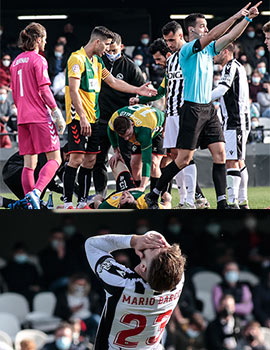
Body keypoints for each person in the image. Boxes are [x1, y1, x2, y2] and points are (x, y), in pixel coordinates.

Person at [145, 3, 261, 209]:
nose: (206, 29)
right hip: (191, 109)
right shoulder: (188, 50)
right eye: (203, 26)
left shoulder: (208, 49)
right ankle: (154, 194)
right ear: (191, 30)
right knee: (183, 159)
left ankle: (222, 202)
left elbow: (230, 37)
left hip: (208, 108)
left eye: (206, 26)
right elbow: (216, 33)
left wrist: (248, 19)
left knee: (220, 154)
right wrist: (235, 15)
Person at [63, 26, 156, 209]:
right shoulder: (77, 58)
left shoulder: (97, 61)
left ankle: (82, 201)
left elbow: (113, 82)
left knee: (90, 161)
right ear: (97, 42)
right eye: (106, 45)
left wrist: (138, 89)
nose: (107, 49)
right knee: (76, 159)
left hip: (94, 119)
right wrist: (81, 116)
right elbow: (73, 90)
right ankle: (67, 202)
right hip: (78, 118)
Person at [131, 30, 209, 209]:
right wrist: (139, 99)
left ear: (167, 53)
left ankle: (192, 197)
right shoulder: (170, 68)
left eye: (158, 59)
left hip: (186, 114)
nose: (157, 64)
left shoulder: (184, 61)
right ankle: (186, 198)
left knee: (185, 156)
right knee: (175, 156)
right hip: (172, 115)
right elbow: (161, 92)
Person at [84, 231, 186, 350]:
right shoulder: (178, 281)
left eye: (153, 248)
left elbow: (92, 244)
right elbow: (172, 259)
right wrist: (152, 247)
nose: (160, 245)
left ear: (143, 267)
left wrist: (134, 241)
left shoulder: (123, 284)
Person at [10, 22, 66, 209]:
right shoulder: (38, 59)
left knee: (29, 164)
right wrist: (56, 112)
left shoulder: (15, 62)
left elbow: (15, 92)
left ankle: (30, 202)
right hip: (39, 117)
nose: (45, 43)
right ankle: (36, 192)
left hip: (22, 118)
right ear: (38, 39)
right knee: (55, 159)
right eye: (44, 39)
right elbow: (44, 89)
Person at [92, 32, 145, 198]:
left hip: (123, 123)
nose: (111, 53)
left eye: (114, 50)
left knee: (125, 158)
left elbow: (141, 93)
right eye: (109, 49)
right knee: (98, 160)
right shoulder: (98, 63)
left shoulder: (131, 67)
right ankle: (100, 194)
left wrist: (136, 100)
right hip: (101, 120)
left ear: (121, 47)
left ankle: (125, 194)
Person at [211, 43, 251, 209]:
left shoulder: (230, 67)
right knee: (239, 161)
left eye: (216, 52)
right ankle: (243, 201)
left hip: (236, 120)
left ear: (225, 51)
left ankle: (233, 202)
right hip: (236, 119)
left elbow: (222, 89)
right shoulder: (236, 66)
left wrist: (201, 98)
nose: (213, 55)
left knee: (232, 161)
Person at [108, 104, 165, 192]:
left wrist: (143, 186)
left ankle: (154, 197)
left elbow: (147, 161)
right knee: (134, 164)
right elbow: (110, 130)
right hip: (139, 120)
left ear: (132, 124)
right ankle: (137, 196)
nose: (127, 139)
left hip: (158, 128)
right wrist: (116, 151)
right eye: (123, 136)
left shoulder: (144, 130)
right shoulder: (114, 118)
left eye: (128, 135)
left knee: (154, 163)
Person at [1, 144, 69, 209]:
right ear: (67, 154)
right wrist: (64, 191)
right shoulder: (53, 155)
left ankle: (3, 202)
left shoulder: (61, 158)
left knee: (29, 204)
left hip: (11, 171)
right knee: (35, 196)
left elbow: (65, 178)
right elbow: (49, 182)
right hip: (13, 170)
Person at [93, 157, 171, 209]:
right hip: (132, 188)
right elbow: (166, 207)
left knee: (114, 161)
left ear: (119, 206)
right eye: (129, 197)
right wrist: (167, 199)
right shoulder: (145, 202)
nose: (125, 194)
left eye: (123, 198)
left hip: (119, 191)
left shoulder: (111, 205)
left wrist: (100, 197)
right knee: (119, 163)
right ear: (136, 201)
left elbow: (97, 202)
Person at [54, 273, 101, 343]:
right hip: (71, 321)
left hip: (88, 319)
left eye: (83, 284)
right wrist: (71, 310)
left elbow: (97, 309)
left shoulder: (91, 295)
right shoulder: (63, 295)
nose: (80, 287)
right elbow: (58, 313)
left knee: (96, 319)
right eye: (78, 284)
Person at [1, 241, 41, 309]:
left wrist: (37, 286)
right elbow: (11, 284)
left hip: (32, 294)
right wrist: (29, 287)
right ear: (14, 254)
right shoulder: (7, 268)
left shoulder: (31, 267)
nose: (21, 255)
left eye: (23, 252)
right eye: (19, 253)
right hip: (16, 294)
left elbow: (38, 280)